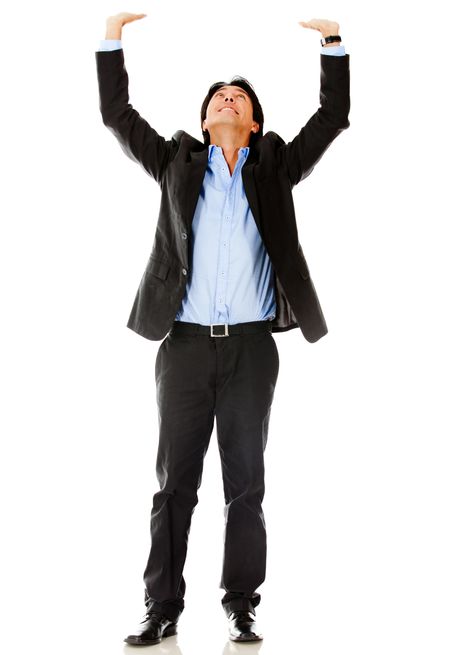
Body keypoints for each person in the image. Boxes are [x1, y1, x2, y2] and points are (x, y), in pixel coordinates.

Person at [95, 12, 350, 646]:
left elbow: (332, 119)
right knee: (174, 482)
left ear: (254, 122)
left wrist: (332, 44)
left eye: (238, 96)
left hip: (251, 350)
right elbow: (117, 117)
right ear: (206, 119)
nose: (226, 98)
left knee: (246, 484)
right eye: (217, 97)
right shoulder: (176, 162)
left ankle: (241, 603)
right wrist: (111, 35)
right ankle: (163, 608)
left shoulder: (274, 166)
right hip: (181, 347)